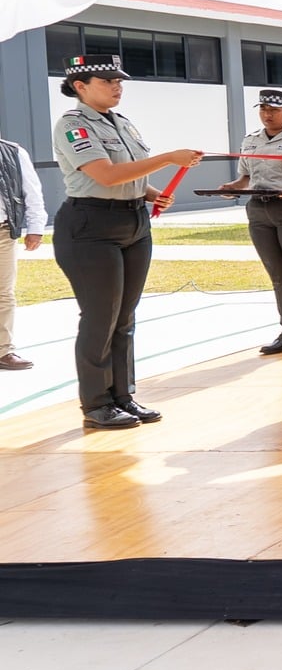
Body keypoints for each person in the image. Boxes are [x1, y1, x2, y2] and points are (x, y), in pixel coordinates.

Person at [49, 55, 203, 429]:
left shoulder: (122, 123)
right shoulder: (72, 125)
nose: (117, 87)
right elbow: (104, 175)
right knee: (100, 317)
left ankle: (122, 395)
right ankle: (96, 402)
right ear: (81, 87)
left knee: (124, 317)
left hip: (132, 222)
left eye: (119, 80)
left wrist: (150, 194)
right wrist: (168, 158)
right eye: (107, 81)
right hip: (91, 226)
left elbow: (128, 174)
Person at [219, 89, 282, 356]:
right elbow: (244, 177)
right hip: (258, 210)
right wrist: (231, 188)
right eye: (263, 109)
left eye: (274, 110)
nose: (268, 114)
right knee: (277, 275)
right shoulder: (250, 140)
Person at [0, 133, 49, 372]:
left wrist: (36, 228)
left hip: (2, 231)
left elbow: (32, 191)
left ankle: (3, 350)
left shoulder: (13, 152)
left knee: (3, 293)